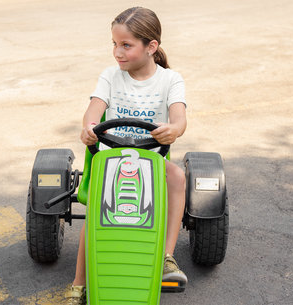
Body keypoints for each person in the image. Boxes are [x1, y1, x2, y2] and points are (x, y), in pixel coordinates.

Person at [65, 7, 187, 305]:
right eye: (114, 44)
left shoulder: (170, 80)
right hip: (111, 160)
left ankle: (167, 257)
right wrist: (88, 129)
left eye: (126, 45)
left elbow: (179, 119)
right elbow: (93, 111)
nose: (117, 52)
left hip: (151, 159)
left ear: (151, 47)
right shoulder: (110, 77)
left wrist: (173, 130)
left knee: (178, 175)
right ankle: (79, 283)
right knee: (98, 208)